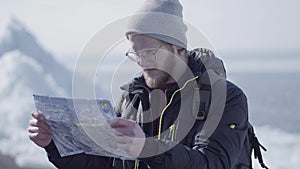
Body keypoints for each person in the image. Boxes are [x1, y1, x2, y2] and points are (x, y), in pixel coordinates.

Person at [28, 0, 268, 169]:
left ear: (179, 49)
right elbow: (106, 165)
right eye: (136, 53)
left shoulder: (225, 97)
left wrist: (147, 148)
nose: (143, 61)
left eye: (152, 52)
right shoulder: (131, 99)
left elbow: (213, 164)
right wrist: (53, 145)